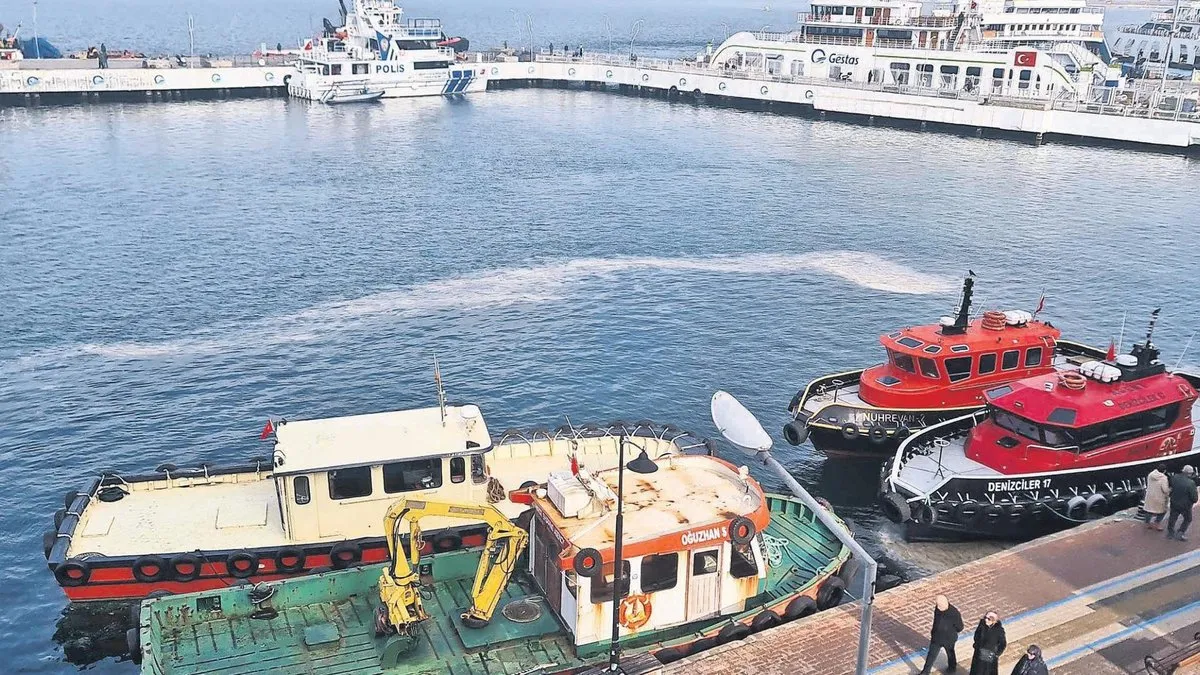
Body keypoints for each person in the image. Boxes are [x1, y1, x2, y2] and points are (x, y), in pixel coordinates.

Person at [919, 595, 964, 675]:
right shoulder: (938, 609)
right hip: (936, 638)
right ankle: (925, 672)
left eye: (940, 605)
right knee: (931, 655)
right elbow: (936, 622)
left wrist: (950, 632)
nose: (938, 607)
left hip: (948, 639)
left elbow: (960, 627)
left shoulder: (954, 613)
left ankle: (952, 668)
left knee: (950, 653)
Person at [969, 611, 1006, 675]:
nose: (986, 620)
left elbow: (1003, 644)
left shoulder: (999, 630)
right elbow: (977, 635)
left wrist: (996, 654)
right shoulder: (982, 624)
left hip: (989, 657)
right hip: (979, 653)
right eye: (985, 617)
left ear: (994, 621)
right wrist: (977, 645)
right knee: (977, 671)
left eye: (989, 619)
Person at [1167, 465, 1197, 541]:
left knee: (1172, 517)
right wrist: (1193, 501)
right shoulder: (1191, 483)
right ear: (1189, 473)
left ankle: (1170, 532)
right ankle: (1180, 533)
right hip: (1185, 506)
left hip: (1174, 502)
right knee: (1188, 519)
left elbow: (1171, 487)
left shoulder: (1175, 477)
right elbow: (1194, 497)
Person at [1144, 464, 1170, 530]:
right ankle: (1157, 523)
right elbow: (1165, 489)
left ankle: (1147, 523)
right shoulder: (1164, 478)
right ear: (1164, 471)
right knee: (1163, 511)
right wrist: (1169, 490)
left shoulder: (1150, 475)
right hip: (1159, 498)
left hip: (1150, 496)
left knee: (1149, 510)